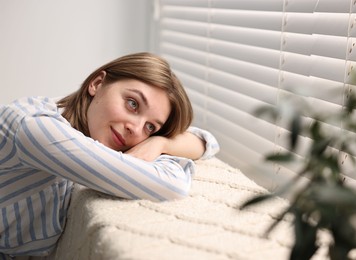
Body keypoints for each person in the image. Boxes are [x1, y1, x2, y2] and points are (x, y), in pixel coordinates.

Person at [0, 52, 219, 258]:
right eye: (132, 104)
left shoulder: (79, 124)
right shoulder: (37, 129)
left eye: (150, 126)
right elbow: (171, 185)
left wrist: (160, 141)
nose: (136, 128)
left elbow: (205, 141)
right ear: (97, 84)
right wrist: (160, 142)